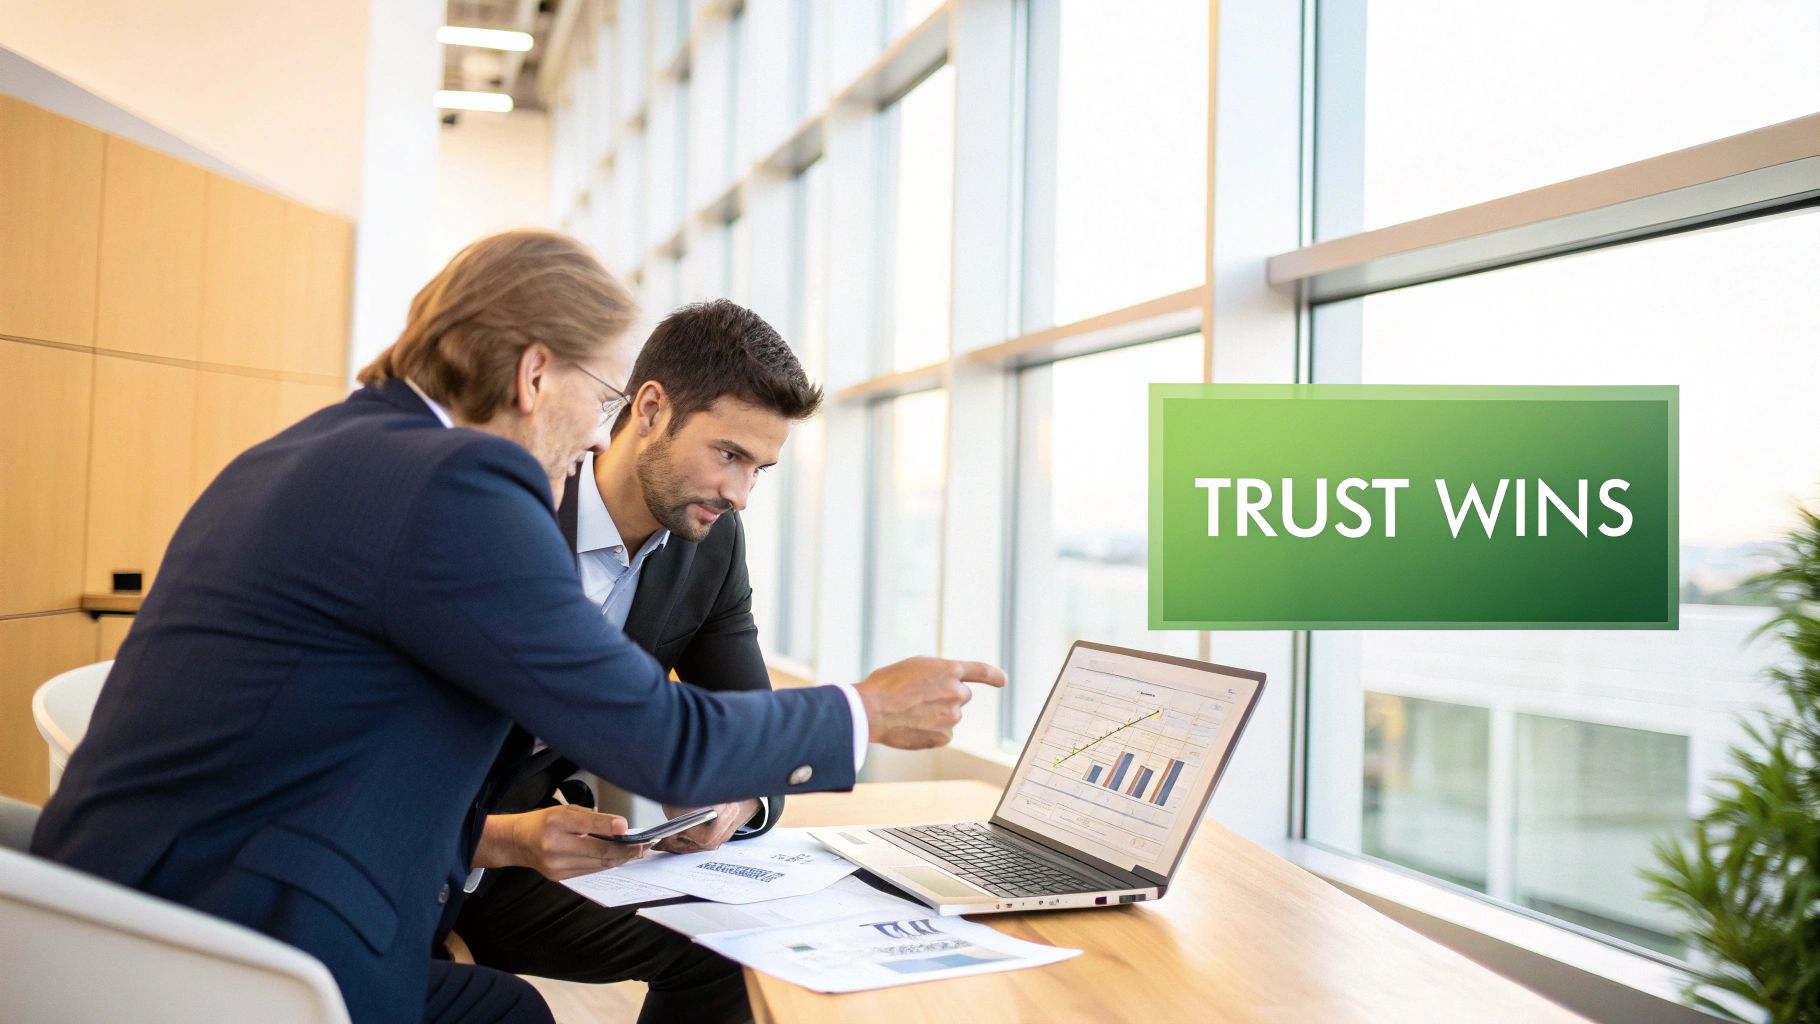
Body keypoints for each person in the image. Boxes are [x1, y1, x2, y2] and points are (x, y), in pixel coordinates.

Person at [30, 230, 1005, 1024]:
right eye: (603, 396)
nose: (599, 429)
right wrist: (862, 710)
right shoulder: (458, 478)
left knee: (510, 1015)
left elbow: (326, 748)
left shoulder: (324, 444)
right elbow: (653, 736)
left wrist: (508, 842)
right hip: (230, 941)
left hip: (134, 904)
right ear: (536, 373)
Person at [452, 299, 824, 1023]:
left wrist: (738, 805)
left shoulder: (710, 545)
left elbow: (753, 724)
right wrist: (507, 841)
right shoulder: (508, 513)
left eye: (761, 469)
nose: (741, 494)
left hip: (542, 858)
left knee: (729, 952)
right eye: (729, 454)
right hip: (431, 849)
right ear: (650, 408)